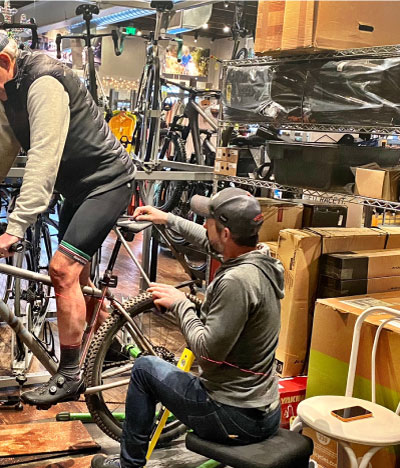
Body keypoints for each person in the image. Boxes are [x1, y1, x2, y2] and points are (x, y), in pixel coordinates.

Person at [91, 187, 285, 468]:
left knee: (144, 369)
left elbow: (207, 355)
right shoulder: (262, 259)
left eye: (209, 221)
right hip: (262, 410)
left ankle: (128, 465)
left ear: (226, 233)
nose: (204, 225)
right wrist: (167, 219)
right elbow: (210, 242)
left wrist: (181, 304)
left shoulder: (237, 282)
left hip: (235, 418)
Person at [0, 34, 135, 406]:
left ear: (4, 62)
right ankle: (111, 347)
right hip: (76, 189)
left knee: (62, 271)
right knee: (83, 283)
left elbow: (43, 159)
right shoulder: (7, 91)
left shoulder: (43, 82)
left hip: (107, 182)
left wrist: (15, 227)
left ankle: (71, 374)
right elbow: (3, 149)